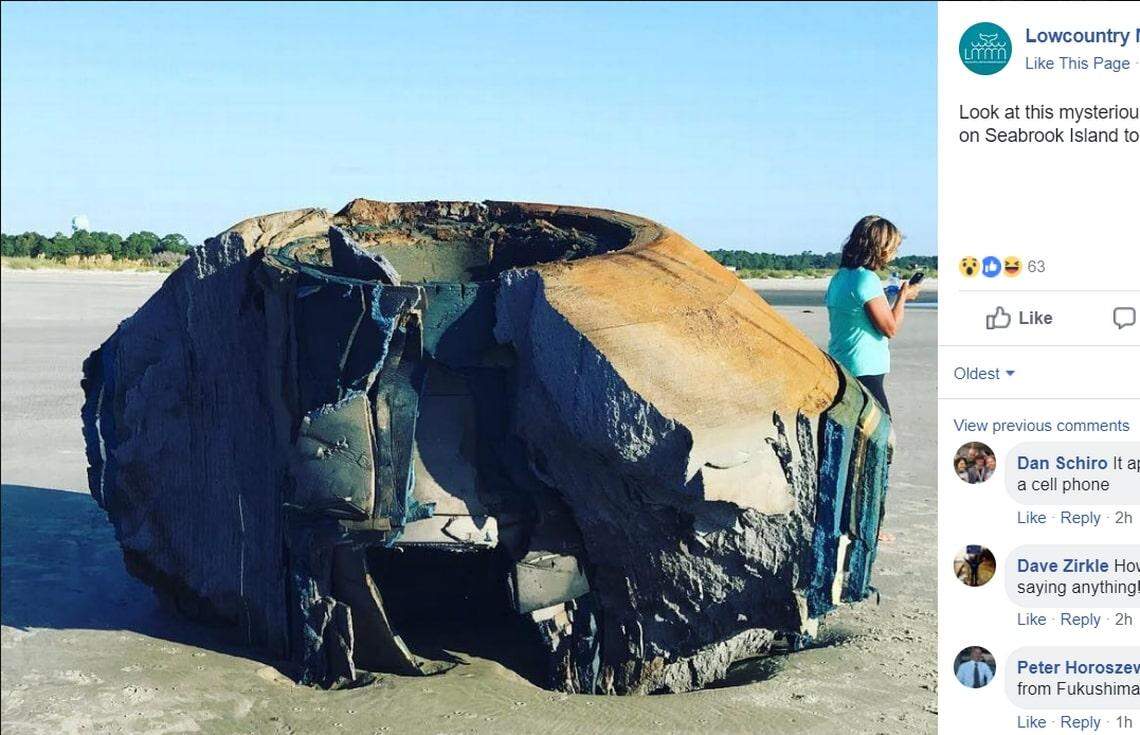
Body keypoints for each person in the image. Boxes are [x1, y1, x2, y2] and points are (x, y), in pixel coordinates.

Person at [825, 215, 921, 415]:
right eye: (894, 247)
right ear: (881, 247)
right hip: (865, 369)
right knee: (880, 437)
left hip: (841, 364)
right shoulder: (866, 279)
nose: (894, 253)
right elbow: (890, 328)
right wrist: (903, 297)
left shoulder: (839, 278)